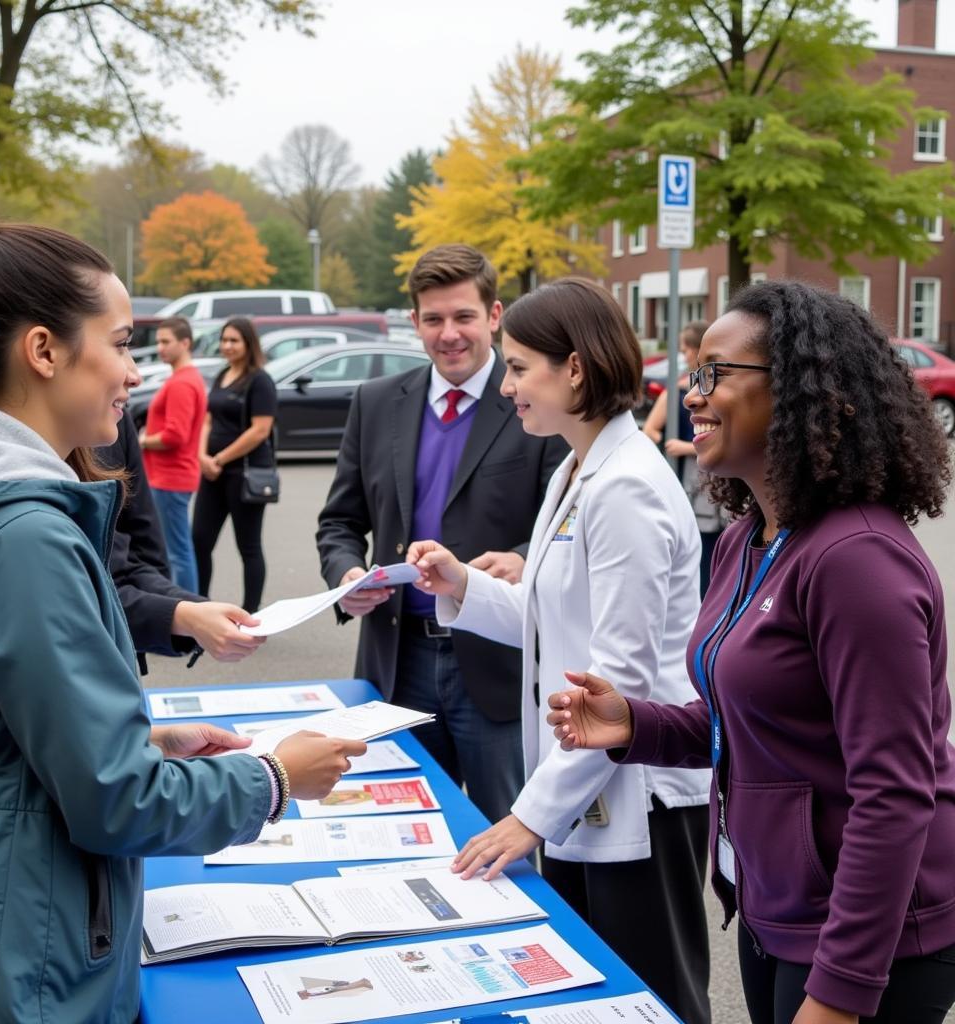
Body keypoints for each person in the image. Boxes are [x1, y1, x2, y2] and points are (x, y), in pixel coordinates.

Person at [0, 187, 366, 1024]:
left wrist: (145, 738)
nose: (137, 372)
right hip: (19, 959)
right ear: (44, 352)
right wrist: (275, 778)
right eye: (122, 344)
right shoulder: (24, 535)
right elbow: (115, 801)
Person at [547, 281, 955, 1024]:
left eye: (714, 375)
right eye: (691, 374)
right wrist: (637, 726)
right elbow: (748, 716)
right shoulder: (749, 538)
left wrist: (838, 994)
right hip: (778, 911)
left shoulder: (858, 561)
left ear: (799, 391)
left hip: (870, 943)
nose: (691, 395)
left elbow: (895, 794)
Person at [407, 278, 713, 1024]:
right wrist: (461, 586)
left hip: (640, 795)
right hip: (584, 781)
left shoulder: (626, 486)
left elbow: (619, 684)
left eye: (518, 367)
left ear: (574, 369)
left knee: (655, 997)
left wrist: (529, 816)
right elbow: (552, 623)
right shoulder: (579, 470)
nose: (506, 385)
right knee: (594, 997)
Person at [316, 244, 567, 824]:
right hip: (396, 659)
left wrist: (525, 558)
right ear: (414, 323)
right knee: (396, 826)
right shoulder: (376, 402)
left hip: (496, 665)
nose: (449, 334)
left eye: (463, 317)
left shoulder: (536, 401)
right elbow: (340, 521)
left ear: (495, 316)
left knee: (507, 834)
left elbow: (568, 523)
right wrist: (345, 575)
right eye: (434, 319)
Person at [103, 415, 266, 672]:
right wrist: (184, 616)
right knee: (188, 549)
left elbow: (136, 557)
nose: (135, 377)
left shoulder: (115, 420)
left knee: (184, 551)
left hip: (176, 479)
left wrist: (187, 610)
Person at [192, 316, 277, 613]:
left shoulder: (260, 381)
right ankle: (200, 606)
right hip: (212, 473)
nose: (226, 346)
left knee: (248, 546)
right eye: (224, 340)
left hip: (244, 474)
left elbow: (260, 430)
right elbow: (208, 418)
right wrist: (202, 456)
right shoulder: (222, 375)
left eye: (233, 341)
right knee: (199, 541)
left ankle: (251, 614)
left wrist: (219, 459)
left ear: (248, 343)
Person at [643, 321, 726, 597]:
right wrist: (669, 449)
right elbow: (651, 429)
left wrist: (689, 446)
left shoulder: (722, 393)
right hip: (689, 486)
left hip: (720, 490)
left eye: (685, 350)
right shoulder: (676, 392)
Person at [139, 316, 207, 591]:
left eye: (166, 341)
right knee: (177, 550)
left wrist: (144, 441)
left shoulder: (182, 382)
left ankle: (190, 613)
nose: (160, 348)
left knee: (177, 553)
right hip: (172, 476)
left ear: (185, 343)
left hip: (170, 477)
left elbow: (175, 435)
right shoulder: (184, 378)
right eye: (158, 342)